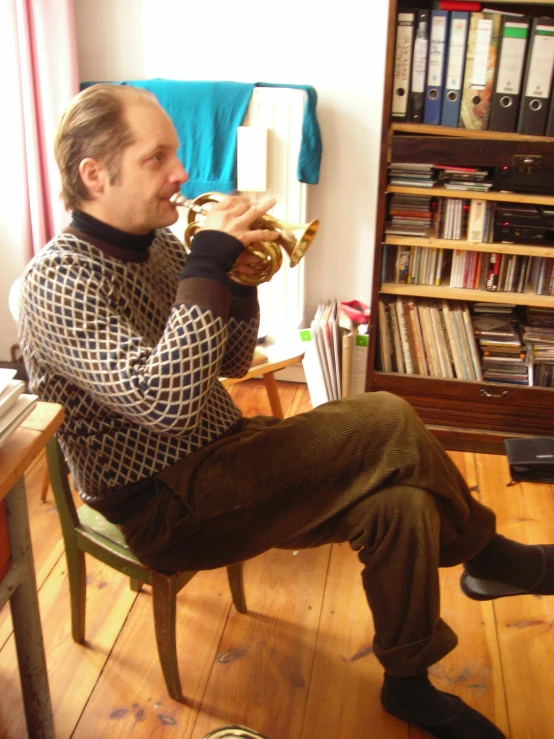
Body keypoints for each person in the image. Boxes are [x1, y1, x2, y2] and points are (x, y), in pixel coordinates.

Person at [18, 84, 554, 739]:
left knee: (402, 506)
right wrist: (209, 263)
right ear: (94, 174)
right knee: (386, 416)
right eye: (157, 157)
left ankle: (408, 681)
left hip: (227, 456)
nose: (181, 173)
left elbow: (232, 362)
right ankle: (493, 557)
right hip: (164, 504)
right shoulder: (58, 282)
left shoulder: (156, 245)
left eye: (176, 154)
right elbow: (162, 402)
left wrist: (236, 283)